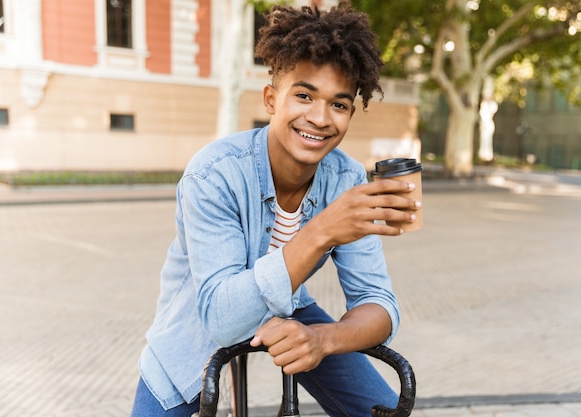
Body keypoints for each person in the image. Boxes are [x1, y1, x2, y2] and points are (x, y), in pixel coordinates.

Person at [130, 4, 421, 417]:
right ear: (271, 99)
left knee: (384, 410)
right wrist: (321, 231)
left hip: (288, 304)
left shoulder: (346, 179)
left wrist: (324, 340)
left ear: (350, 114)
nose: (319, 118)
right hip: (202, 313)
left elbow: (379, 304)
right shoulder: (213, 174)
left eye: (338, 104)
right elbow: (223, 319)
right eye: (303, 96)